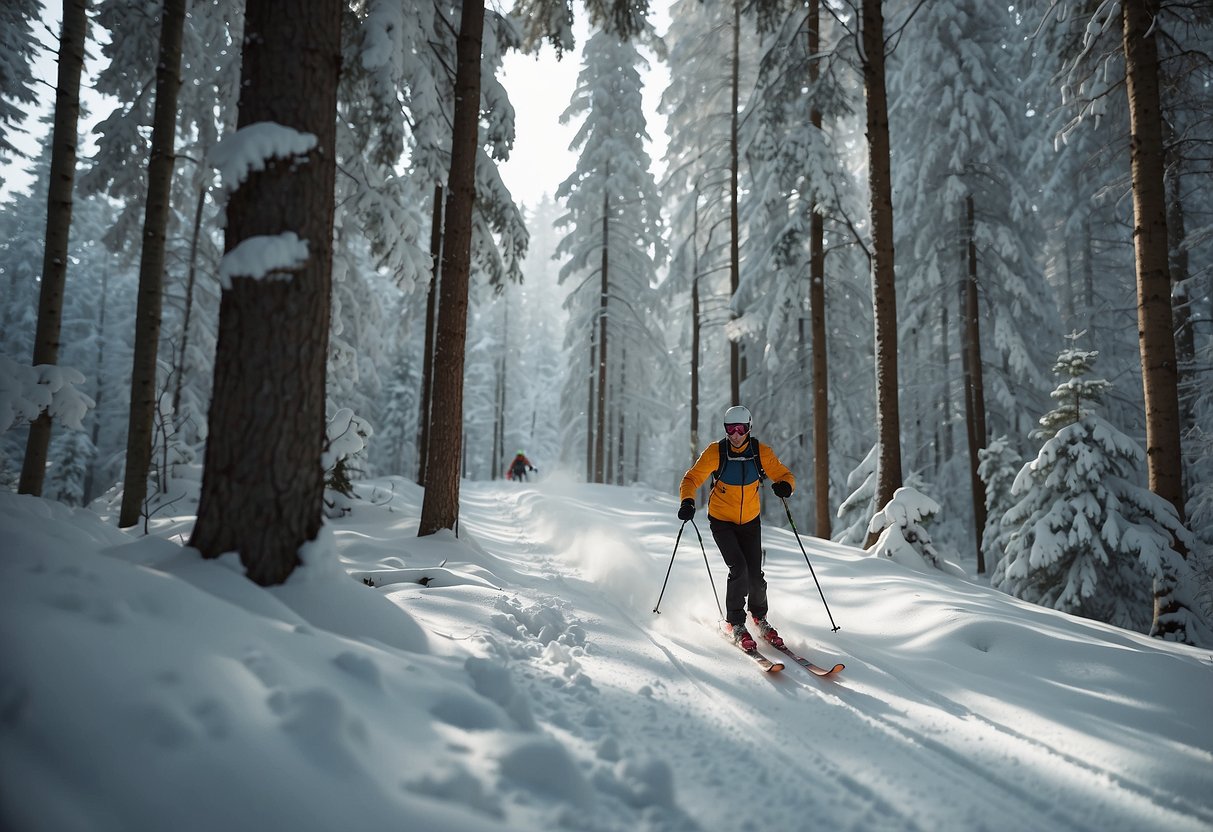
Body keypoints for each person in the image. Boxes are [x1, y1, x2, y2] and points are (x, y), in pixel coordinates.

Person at [677, 405, 795, 652]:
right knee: (738, 568)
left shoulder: (760, 453)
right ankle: (736, 623)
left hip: (750, 521)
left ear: (749, 428)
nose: (736, 434)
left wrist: (785, 486)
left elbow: (783, 474)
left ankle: (759, 618)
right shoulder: (715, 452)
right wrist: (687, 500)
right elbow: (692, 478)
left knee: (755, 574)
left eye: (741, 428)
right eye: (731, 429)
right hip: (721, 521)